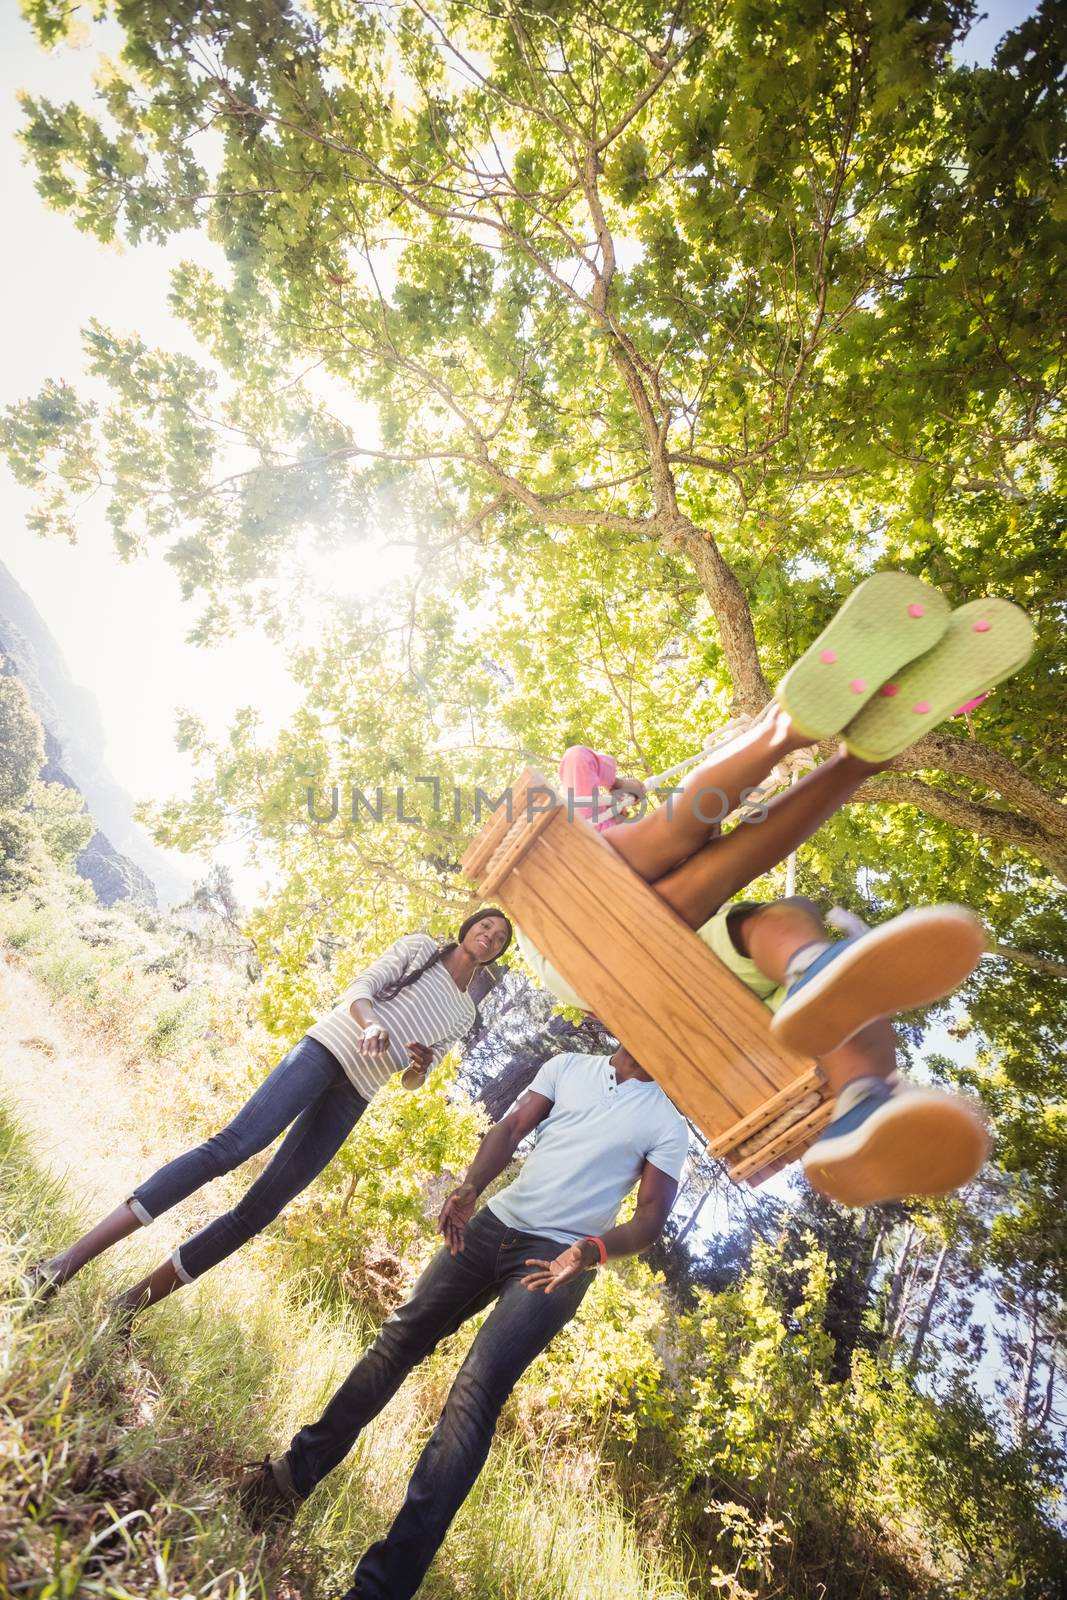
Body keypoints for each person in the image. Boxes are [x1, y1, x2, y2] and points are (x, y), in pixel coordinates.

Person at [514, 572, 1035, 1206]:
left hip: (668, 961)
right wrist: (625, 790)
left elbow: (592, 772)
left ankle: (855, 1076)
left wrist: (622, 789)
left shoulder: (616, 836)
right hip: (580, 933)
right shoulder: (588, 828)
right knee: (667, 851)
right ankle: (823, 746)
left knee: (776, 921)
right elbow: (579, 765)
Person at [237, 1042, 689, 1599]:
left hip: (557, 1259)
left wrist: (589, 1251)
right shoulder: (571, 1065)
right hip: (495, 1223)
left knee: (474, 1393)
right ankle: (287, 1481)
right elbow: (510, 1127)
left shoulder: (668, 1120)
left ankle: (381, 1588)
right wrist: (473, 1185)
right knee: (398, 1338)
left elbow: (649, 1220)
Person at [25, 909, 513, 1316]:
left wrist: (420, 1065)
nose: (488, 936)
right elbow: (360, 988)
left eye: (498, 938)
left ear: (496, 954)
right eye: (486, 925)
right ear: (469, 926)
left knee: (262, 1209)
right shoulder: (418, 948)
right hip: (328, 1049)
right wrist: (369, 1026)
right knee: (231, 1149)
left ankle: (125, 1308)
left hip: (358, 1091)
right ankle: (61, 1266)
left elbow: (414, 1078)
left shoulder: (465, 1013)